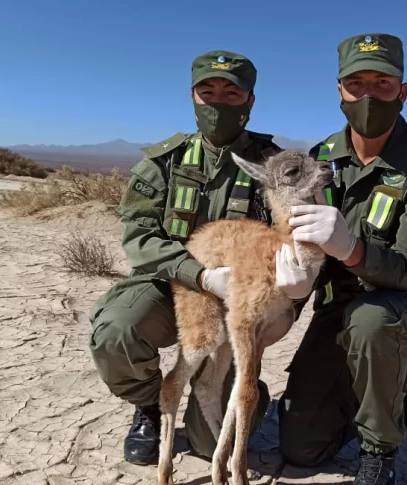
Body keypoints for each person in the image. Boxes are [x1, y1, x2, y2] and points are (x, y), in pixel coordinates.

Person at [87, 49, 307, 466]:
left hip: (237, 301)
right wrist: (199, 276)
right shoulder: (164, 161)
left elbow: (295, 238)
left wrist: (292, 302)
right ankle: (151, 407)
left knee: (213, 445)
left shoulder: (274, 165)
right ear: (193, 97)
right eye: (208, 92)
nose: (218, 102)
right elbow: (140, 237)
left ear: (250, 101)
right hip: (168, 285)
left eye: (231, 92)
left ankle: (246, 395)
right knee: (117, 330)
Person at [276, 33, 407, 485]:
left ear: (403, 91)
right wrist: (291, 293)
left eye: (382, 82)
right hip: (337, 306)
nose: (368, 94)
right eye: (356, 82)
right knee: (302, 450)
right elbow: (296, 243)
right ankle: (379, 390)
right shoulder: (319, 158)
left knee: (372, 322)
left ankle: (379, 448)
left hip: (403, 307)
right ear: (339, 90)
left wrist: (351, 249)